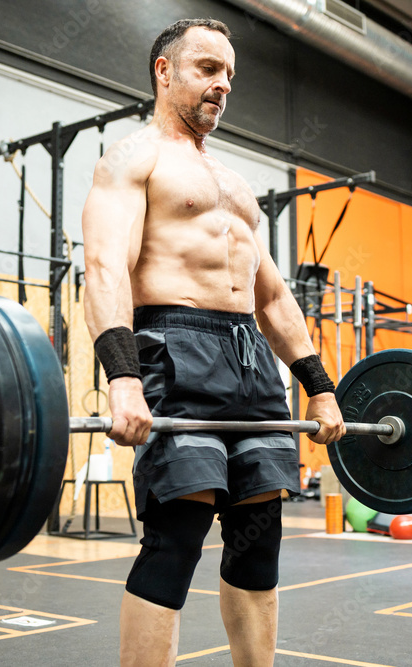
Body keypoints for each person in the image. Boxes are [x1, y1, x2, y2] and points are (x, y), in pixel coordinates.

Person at [81, 18, 346, 666]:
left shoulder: (235, 185)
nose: (223, 84)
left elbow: (274, 297)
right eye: (207, 68)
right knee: (177, 536)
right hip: (175, 345)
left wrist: (320, 386)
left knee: (260, 540)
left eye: (230, 73)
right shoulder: (133, 158)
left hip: (250, 358)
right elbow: (105, 266)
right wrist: (122, 376)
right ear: (163, 72)